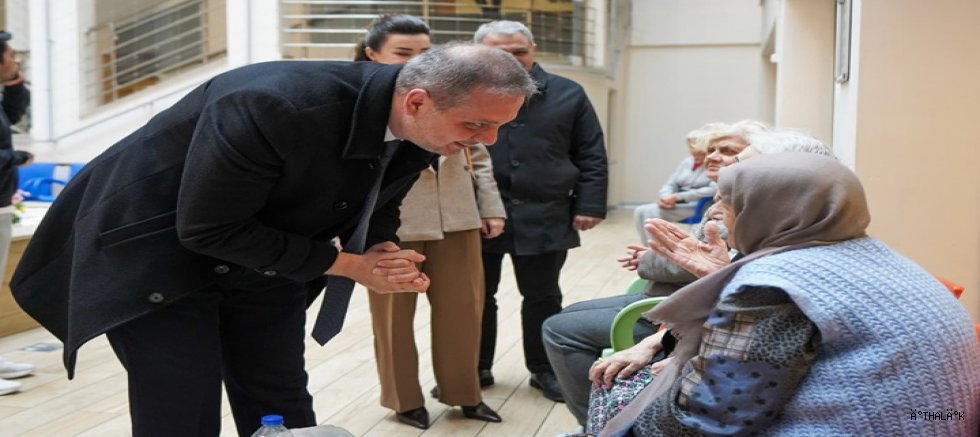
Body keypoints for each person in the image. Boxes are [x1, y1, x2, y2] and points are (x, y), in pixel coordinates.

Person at [10, 43, 536, 437]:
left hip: (264, 254)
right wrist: (348, 264)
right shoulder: (272, 103)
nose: (484, 141)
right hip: (155, 256)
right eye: (476, 125)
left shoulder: (423, 127)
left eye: (497, 129)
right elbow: (208, 228)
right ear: (418, 100)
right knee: (182, 403)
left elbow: (381, 196)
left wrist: (379, 247)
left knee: (279, 395)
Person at [589, 153, 980, 436]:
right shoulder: (872, 253)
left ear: (769, 208)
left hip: (871, 424)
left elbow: (709, 418)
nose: (717, 211)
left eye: (730, 200)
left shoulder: (773, 284)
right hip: (931, 423)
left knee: (619, 393)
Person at [542, 120, 766, 429]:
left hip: (672, 308)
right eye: (711, 149)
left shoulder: (748, 209)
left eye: (729, 153)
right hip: (673, 310)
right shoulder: (728, 198)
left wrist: (651, 260)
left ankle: (596, 426)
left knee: (560, 328)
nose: (713, 157)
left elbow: (705, 272)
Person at [353, 15, 505, 429]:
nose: (416, 60)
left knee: (464, 310)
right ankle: (403, 401)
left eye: (425, 52)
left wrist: (491, 206)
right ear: (372, 53)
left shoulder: (452, 91)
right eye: (403, 53)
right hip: (392, 226)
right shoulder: (360, 100)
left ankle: (465, 394)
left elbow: (479, 153)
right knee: (392, 319)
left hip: (457, 218)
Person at [474, 20, 609, 403]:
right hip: (481, 213)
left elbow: (591, 154)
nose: (511, 59)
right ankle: (476, 366)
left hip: (547, 211)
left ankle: (545, 370)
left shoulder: (569, 93)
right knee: (478, 295)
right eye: (499, 52)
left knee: (543, 295)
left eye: (519, 51)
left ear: (533, 50)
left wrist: (589, 204)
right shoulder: (462, 93)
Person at [0, 30, 35, 398]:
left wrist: (14, 83)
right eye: (10, 55)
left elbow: (12, 114)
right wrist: (16, 158)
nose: (16, 59)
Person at [632, 125, 721, 242]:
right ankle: (648, 248)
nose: (691, 151)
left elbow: (713, 189)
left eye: (695, 146)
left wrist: (679, 196)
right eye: (689, 146)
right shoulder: (687, 162)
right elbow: (670, 183)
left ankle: (655, 250)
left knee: (649, 212)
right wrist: (665, 197)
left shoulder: (713, 163)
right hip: (676, 203)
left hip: (697, 205)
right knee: (639, 210)